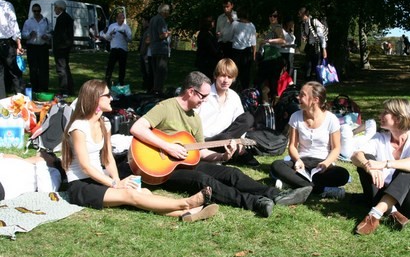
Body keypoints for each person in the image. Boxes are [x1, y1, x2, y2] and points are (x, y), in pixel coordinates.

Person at [129, 71, 312, 218]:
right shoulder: (166, 107)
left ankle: (273, 194)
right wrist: (168, 147)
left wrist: (223, 156)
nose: (205, 100)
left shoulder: (195, 119)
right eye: (203, 95)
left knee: (231, 173)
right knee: (204, 180)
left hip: (188, 162)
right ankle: (254, 202)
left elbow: (200, 152)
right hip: (164, 169)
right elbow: (137, 128)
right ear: (191, 91)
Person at [61, 79, 218, 222]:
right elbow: (85, 167)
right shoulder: (78, 128)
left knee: (143, 192)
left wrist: (118, 180)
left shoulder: (105, 123)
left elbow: (108, 158)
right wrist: (115, 183)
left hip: (99, 179)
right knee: (130, 195)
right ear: (96, 99)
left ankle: (187, 215)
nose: (111, 98)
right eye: (107, 95)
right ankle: (185, 204)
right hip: (80, 185)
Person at [351, 98, 410, 235]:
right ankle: (391, 211)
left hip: (408, 202)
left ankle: (375, 214)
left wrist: (385, 164)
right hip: (381, 192)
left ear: (399, 118)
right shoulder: (379, 138)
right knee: (366, 161)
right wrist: (367, 166)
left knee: (408, 166)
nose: (380, 116)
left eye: (385, 113)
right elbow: (355, 155)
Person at [270, 81, 350, 199]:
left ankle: (295, 184)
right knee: (276, 166)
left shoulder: (331, 119)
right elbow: (292, 145)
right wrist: (297, 160)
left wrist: (326, 164)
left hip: (322, 165)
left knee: (343, 175)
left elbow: (336, 148)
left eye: (302, 95)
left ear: (315, 100)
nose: (298, 97)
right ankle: (321, 189)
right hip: (302, 162)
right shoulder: (295, 117)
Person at [197, 58, 259, 167]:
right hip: (206, 140)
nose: (226, 80)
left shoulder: (234, 96)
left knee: (248, 117)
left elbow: (240, 122)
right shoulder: (204, 94)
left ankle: (237, 150)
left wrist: (240, 140)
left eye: (229, 77)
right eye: (222, 76)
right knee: (225, 138)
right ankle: (238, 154)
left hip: (229, 137)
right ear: (215, 76)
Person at [0, 0, 24, 99]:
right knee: (14, 72)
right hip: (6, 43)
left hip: (5, 42)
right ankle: (20, 98)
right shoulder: (7, 6)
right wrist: (19, 43)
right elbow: (14, 24)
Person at [258, 9, 286, 104]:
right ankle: (266, 106)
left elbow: (283, 40)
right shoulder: (269, 27)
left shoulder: (277, 27)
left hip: (274, 59)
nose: (272, 18)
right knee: (264, 84)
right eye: (270, 16)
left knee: (272, 84)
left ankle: (274, 106)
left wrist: (268, 41)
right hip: (266, 58)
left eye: (274, 16)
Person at [22, 3, 51, 92]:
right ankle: (34, 87)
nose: (36, 13)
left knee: (43, 68)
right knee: (33, 68)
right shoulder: (28, 22)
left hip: (43, 47)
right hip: (32, 47)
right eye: (35, 11)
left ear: (40, 11)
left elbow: (50, 32)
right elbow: (23, 34)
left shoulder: (45, 21)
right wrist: (29, 35)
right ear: (32, 11)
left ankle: (44, 87)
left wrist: (47, 36)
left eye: (38, 11)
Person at [298, 7, 327, 81]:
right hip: (309, 47)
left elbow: (321, 36)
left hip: (316, 47)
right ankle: (308, 82)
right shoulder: (303, 24)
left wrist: (324, 49)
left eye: (300, 14)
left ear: (304, 14)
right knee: (308, 66)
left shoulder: (314, 22)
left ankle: (318, 83)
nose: (299, 16)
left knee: (317, 67)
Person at [231, 7, 256, 91]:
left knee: (234, 72)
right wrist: (254, 55)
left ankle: (234, 90)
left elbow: (230, 36)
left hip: (236, 51)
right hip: (247, 51)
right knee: (246, 74)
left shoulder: (235, 24)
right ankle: (245, 91)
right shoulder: (251, 25)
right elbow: (253, 42)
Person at [52, 0, 74, 96]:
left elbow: (60, 35)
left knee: (61, 69)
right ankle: (69, 88)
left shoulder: (62, 18)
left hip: (61, 47)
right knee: (66, 68)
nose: (54, 9)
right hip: (66, 46)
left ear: (59, 8)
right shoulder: (67, 17)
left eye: (55, 7)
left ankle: (64, 90)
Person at [104, 12, 132, 86]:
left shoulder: (126, 27)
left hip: (123, 49)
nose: (122, 19)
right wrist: (111, 34)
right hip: (114, 49)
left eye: (123, 18)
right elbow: (107, 37)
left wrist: (125, 35)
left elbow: (130, 39)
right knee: (110, 66)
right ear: (117, 19)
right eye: (120, 18)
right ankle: (107, 80)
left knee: (122, 67)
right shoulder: (112, 26)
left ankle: (121, 82)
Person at [149, 4, 171, 95]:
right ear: (164, 12)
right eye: (168, 11)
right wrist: (169, 33)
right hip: (161, 48)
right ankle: (158, 90)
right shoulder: (161, 20)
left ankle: (155, 88)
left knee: (155, 71)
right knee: (161, 71)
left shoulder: (153, 19)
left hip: (153, 48)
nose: (168, 14)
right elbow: (162, 35)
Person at [139, 17, 153, 91]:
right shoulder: (145, 31)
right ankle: (146, 85)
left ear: (147, 22)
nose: (143, 23)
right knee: (144, 70)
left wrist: (144, 53)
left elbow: (148, 42)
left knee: (147, 71)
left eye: (144, 21)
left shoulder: (149, 31)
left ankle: (148, 86)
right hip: (143, 53)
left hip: (146, 53)